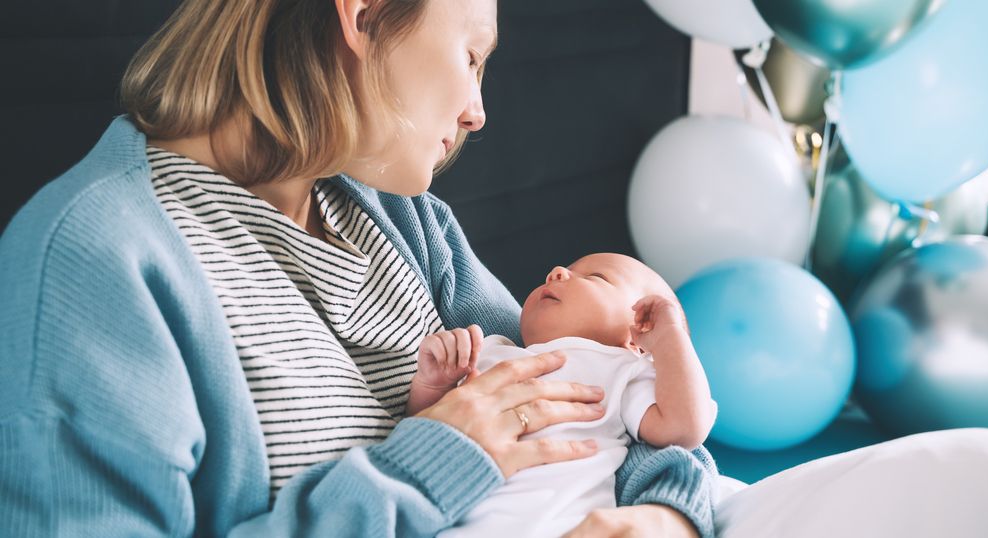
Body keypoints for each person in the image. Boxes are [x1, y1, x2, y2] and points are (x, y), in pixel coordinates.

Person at [0, 0, 717, 536]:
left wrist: (666, 515)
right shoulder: (93, 261)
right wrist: (431, 465)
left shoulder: (409, 226)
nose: (476, 114)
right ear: (366, 12)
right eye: (470, 57)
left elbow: (590, 393)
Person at [407, 253, 718, 537]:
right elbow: (428, 436)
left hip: (561, 525)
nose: (556, 272)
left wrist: (669, 338)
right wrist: (433, 387)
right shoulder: (490, 350)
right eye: (563, 270)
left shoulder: (621, 368)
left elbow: (683, 428)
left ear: (637, 338)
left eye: (597, 278)